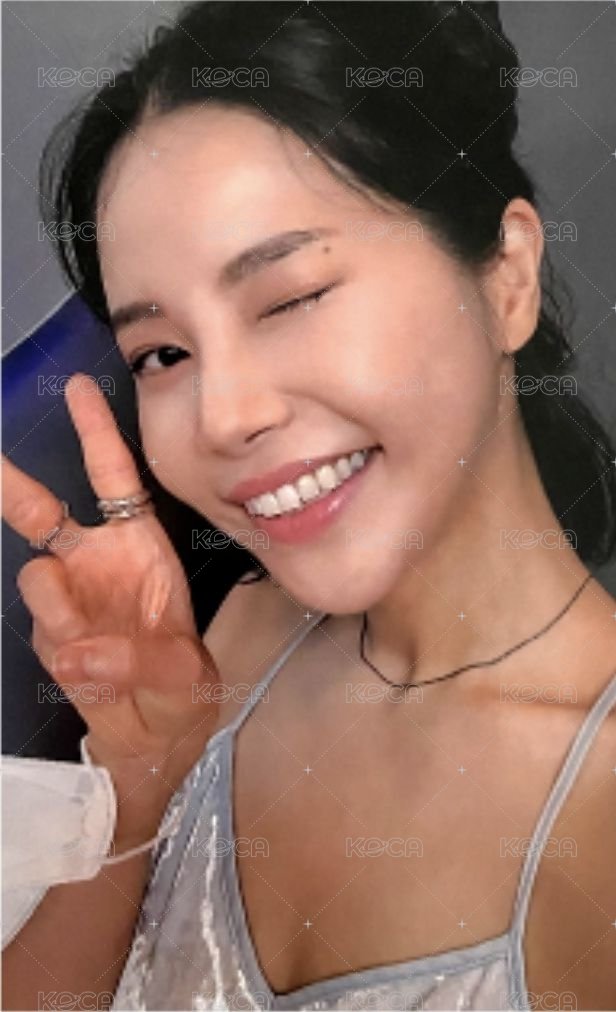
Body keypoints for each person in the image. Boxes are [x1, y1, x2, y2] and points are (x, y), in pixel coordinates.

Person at [3, 2, 616, 1009]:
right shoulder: (242, 640)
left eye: (288, 298)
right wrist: (140, 781)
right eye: (163, 353)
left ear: (507, 277)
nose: (225, 416)